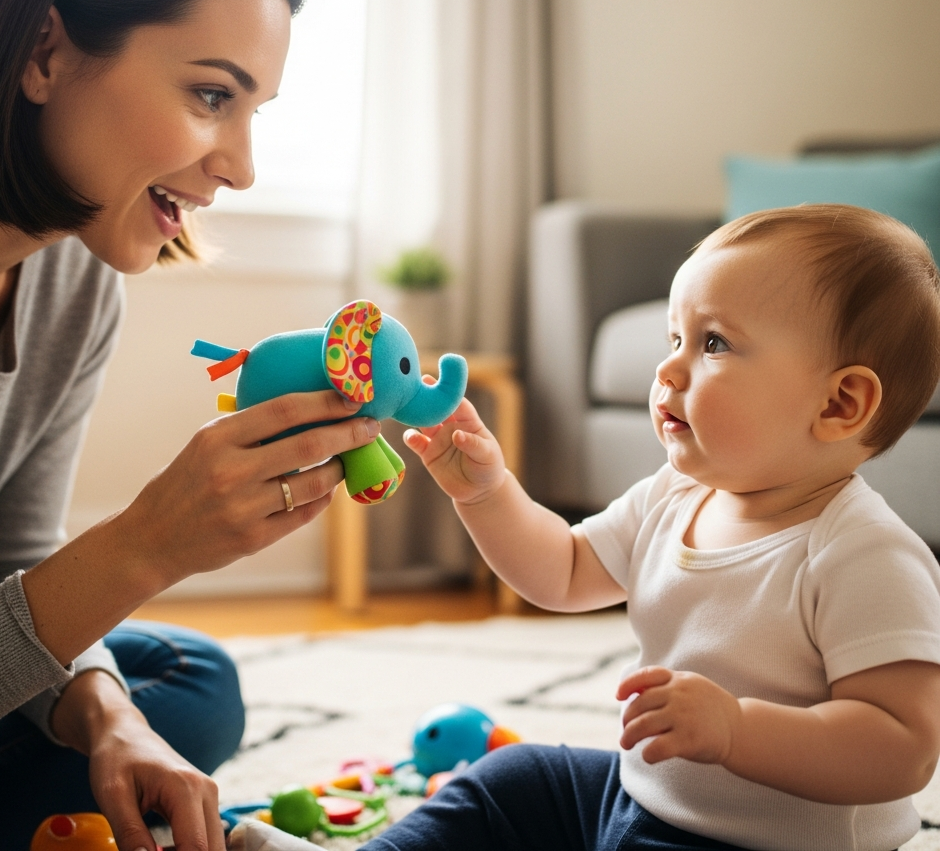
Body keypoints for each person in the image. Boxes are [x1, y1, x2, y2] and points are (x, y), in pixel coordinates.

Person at [0, 0, 379, 850]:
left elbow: (5, 566)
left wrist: (114, 723)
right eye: (212, 95)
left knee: (179, 687)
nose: (243, 168)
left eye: (253, 109)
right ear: (43, 51)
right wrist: (144, 544)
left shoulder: (72, 281)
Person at [241, 203, 940, 851]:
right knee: (511, 778)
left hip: (761, 845)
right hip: (643, 799)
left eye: (715, 342)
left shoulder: (863, 555)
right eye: (675, 336)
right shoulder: (677, 494)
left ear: (841, 402)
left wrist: (737, 730)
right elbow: (565, 571)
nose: (667, 367)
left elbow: (900, 746)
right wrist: (487, 495)